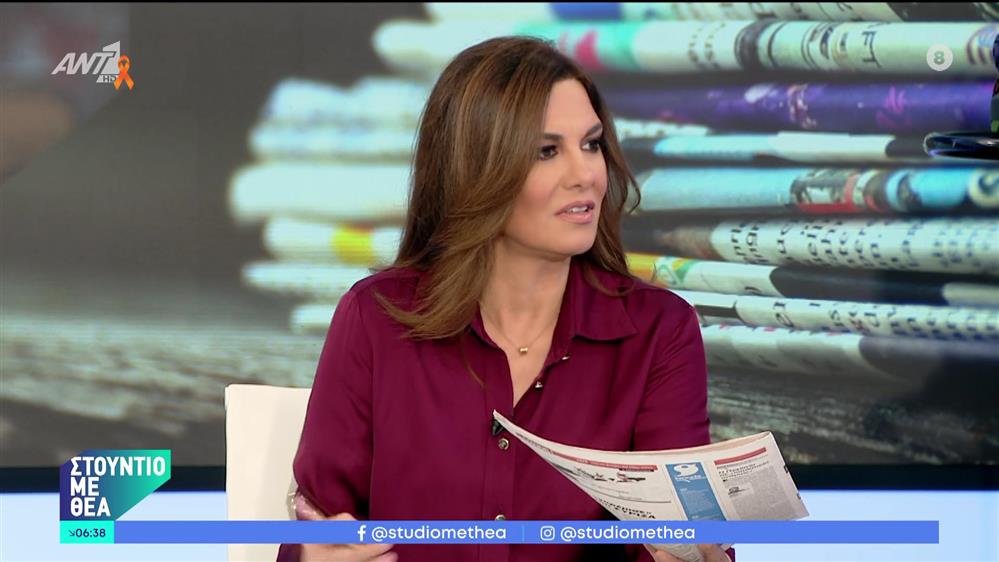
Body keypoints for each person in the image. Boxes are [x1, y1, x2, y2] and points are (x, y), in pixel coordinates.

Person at [276, 36, 733, 562]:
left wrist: (693, 555)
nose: (585, 174)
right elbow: (317, 531)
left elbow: (678, 542)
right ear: (475, 169)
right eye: (547, 151)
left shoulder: (660, 332)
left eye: (591, 145)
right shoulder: (375, 319)